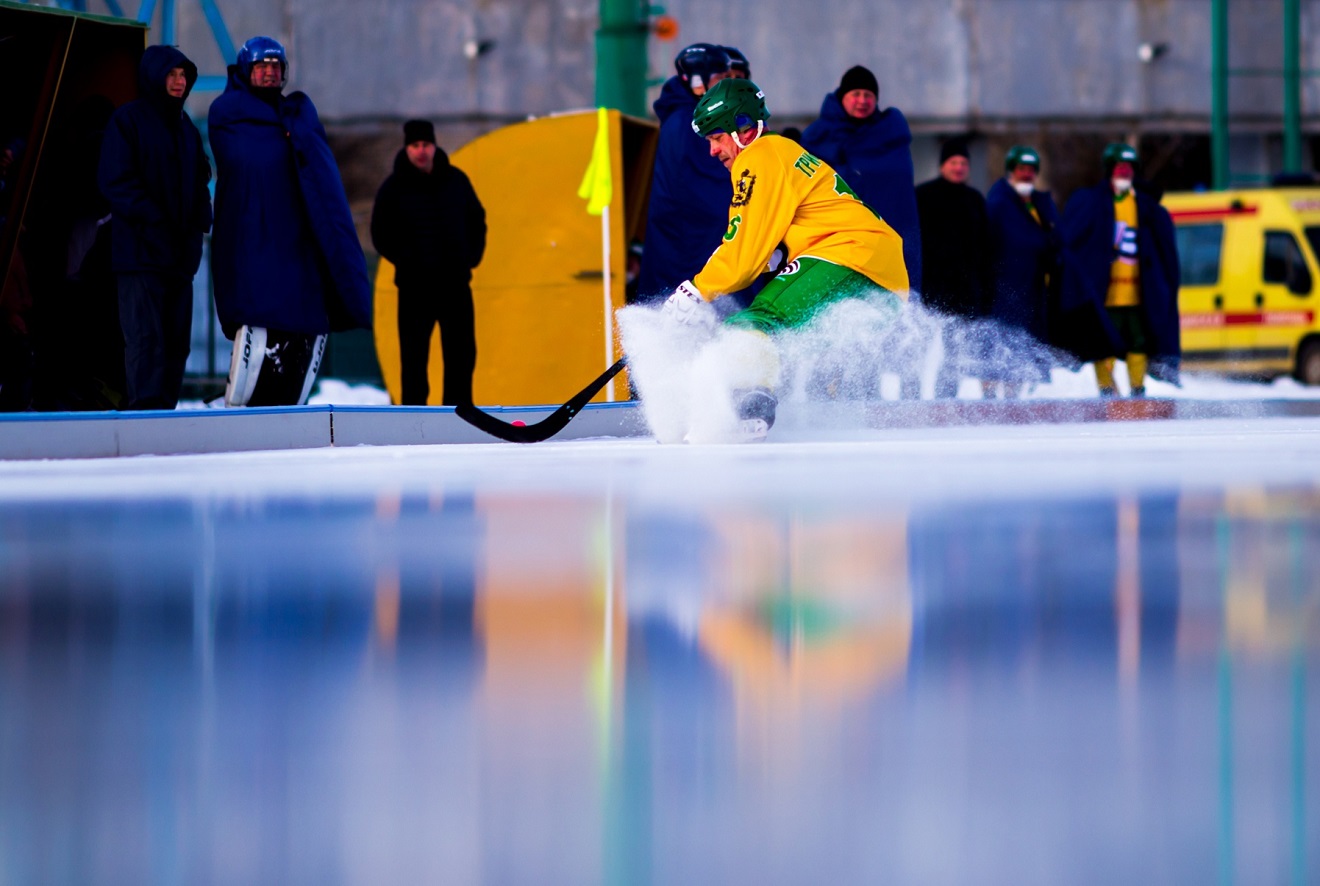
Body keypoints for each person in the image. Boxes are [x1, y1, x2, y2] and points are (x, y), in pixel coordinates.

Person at [647, 78, 908, 443]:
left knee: (753, 324)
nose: (712, 151)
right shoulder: (782, 154)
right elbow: (769, 237)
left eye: (717, 138)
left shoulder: (758, 157)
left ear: (743, 129)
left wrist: (696, 290)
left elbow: (742, 252)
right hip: (878, 269)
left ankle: (749, 412)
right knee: (795, 347)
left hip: (849, 253)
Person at [208, 35, 372, 407]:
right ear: (247, 70)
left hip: (295, 233)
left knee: (301, 302)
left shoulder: (297, 115)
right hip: (250, 229)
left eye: (275, 68)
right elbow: (243, 164)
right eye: (262, 67)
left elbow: (318, 173)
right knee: (259, 297)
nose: (269, 74)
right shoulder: (228, 113)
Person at [97, 45, 211, 410]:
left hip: (178, 259)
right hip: (140, 255)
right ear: (154, 77)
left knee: (177, 343)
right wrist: (157, 222)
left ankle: (164, 417)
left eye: (183, 75)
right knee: (146, 339)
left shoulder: (186, 129)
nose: (179, 82)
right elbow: (116, 182)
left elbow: (199, 183)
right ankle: (143, 423)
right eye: (171, 74)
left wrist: (197, 227)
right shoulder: (128, 121)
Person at [371, 119, 486, 406]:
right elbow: (380, 232)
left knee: (461, 359)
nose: (421, 151)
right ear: (407, 148)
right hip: (414, 291)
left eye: (425, 145)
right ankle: (415, 424)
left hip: (455, 287)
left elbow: (477, 219)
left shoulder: (456, 181)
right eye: (415, 145)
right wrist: (407, 261)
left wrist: (469, 258)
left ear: (434, 146)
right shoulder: (393, 188)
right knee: (413, 363)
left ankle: (458, 418)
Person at [1059, 142, 1181, 397]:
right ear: (1110, 169)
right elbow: (1071, 241)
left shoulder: (1146, 207)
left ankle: (1137, 387)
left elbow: (1163, 249)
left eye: (1129, 167)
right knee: (1102, 342)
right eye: (1120, 167)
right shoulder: (1092, 202)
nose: (1124, 172)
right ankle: (1106, 388)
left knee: (1139, 341)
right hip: (1104, 293)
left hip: (1139, 293)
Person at [800, 65, 922, 297]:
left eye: (868, 95)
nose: (862, 100)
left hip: (891, 229)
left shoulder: (891, 134)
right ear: (842, 97)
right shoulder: (818, 136)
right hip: (839, 235)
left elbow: (899, 189)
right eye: (855, 94)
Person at [634, 43, 732, 303]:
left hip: (678, 242)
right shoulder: (690, 122)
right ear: (698, 81)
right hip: (686, 246)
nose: (725, 85)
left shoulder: (682, 115)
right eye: (720, 78)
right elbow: (711, 187)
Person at [915, 137, 992, 398]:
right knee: (917, 346)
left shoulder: (975, 200)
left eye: (963, 163)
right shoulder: (923, 196)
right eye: (953, 162)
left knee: (956, 349)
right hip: (929, 289)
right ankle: (910, 397)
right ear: (942, 166)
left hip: (964, 291)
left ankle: (946, 398)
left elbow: (984, 247)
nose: (959, 167)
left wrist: (983, 288)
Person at [984, 144, 1061, 398]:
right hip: (1003, 293)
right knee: (998, 352)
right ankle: (990, 406)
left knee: (1020, 353)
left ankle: (1012, 406)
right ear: (1011, 171)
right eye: (1021, 169)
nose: (1027, 174)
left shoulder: (1039, 204)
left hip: (1031, 291)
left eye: (1031, 170)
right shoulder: (998, 204)